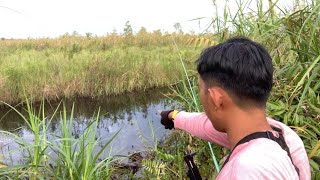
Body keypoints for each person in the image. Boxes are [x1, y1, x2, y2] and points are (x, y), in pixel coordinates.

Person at [160, 37, 311, 179]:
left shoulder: (243, 171)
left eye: (200, 88)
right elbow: (206, 125)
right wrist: (174, 117)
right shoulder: (286, 138)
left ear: (216, 98)